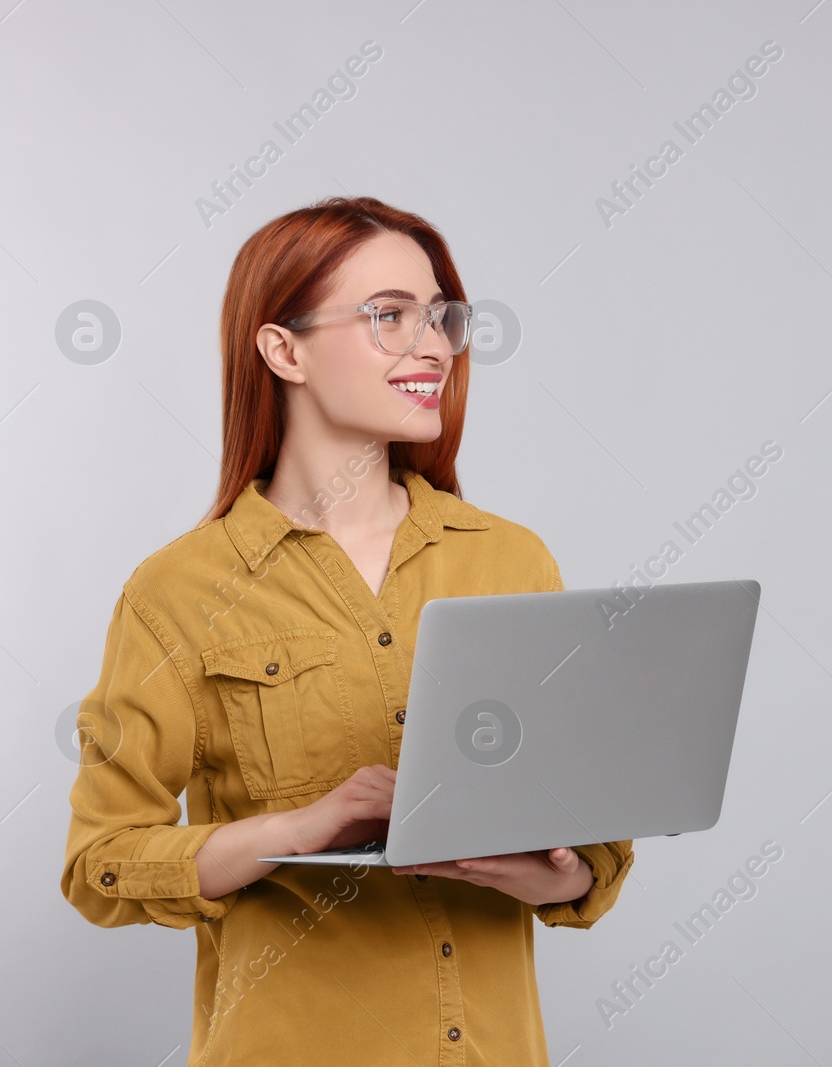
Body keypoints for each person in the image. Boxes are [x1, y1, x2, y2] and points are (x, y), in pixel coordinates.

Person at [60, 195, 633, 1064]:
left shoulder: (512, 562)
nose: (434, 345)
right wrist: (297, 829)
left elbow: (597, 850)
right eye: (390, 316)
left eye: (441, 317)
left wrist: (555, 871)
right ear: (283, 347)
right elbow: (100, 861)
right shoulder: (176, 592)